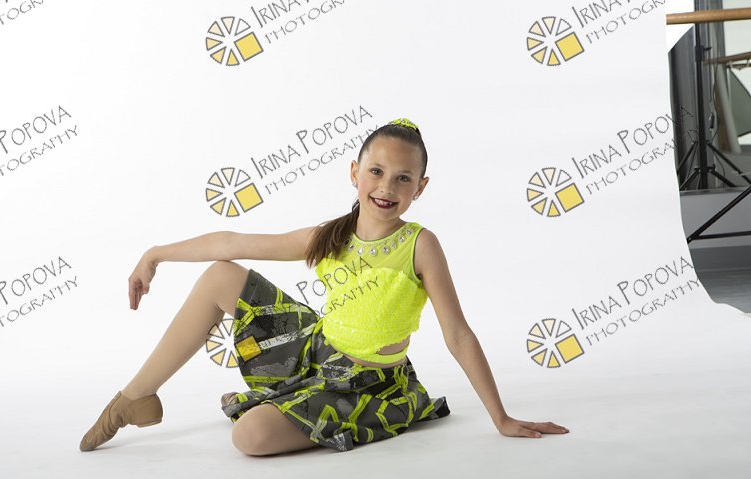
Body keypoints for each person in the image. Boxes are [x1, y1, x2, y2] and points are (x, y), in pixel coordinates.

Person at [79, 117, 570, 455]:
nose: (387, 187)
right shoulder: (331, 236)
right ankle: (134, 398)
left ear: (420, 187)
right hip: (316, 349)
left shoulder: (420, 246)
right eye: (376, 172)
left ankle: (295, 406)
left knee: (250, 438)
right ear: (355, 173)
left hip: (368, 383)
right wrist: (155, 254)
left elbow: (457, 334)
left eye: (403, 178)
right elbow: (233, 240)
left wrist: (501, 418)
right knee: (220, 273)